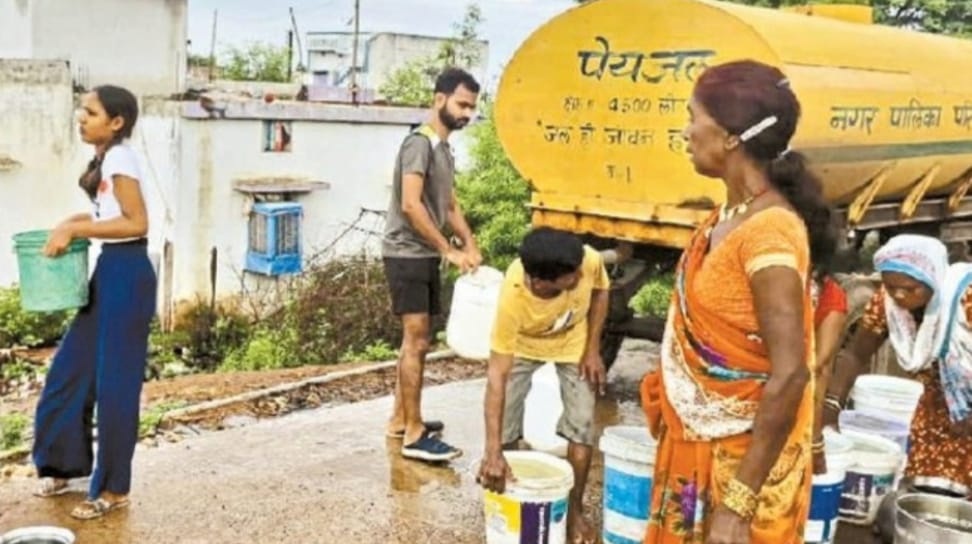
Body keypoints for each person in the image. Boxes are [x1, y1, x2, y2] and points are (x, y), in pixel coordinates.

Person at [639, 59, 837, 544]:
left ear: (730, 137)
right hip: (695, 455)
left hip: (739, 468)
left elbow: (790, 372)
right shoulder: (727, 216)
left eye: (693, 118)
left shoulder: (770, 232)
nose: (685, 132)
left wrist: (738, 505)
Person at [32, 85, 157, 520]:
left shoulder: (121, 156)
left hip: (129, 274)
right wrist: (72, 221)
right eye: (81, 112)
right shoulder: (105, 159)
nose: (81, 118)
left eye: (90, 112)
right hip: (110, 272)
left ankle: (113, 489)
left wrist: (78, 231)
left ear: (116, 121)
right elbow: (108, 217)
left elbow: (137, 222)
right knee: (70, 370)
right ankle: (63, 464)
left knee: (115, 385)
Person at [476, 227, 610, 544]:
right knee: (504, 427)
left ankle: (575, 510)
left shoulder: (586, 259)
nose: (580, 274)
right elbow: (496, 378)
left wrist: (593, 349)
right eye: (571, 275)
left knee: (583, 424)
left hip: (573, 343)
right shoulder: (513, 298)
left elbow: (602, 291)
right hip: (524, 346)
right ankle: (506, 490)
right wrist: (492, 450)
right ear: (540, 282)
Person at [382, 67, 481, 462]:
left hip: (422, 254)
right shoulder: (418, 144)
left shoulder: (443, 149)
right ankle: (415, 433)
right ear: (439, 100)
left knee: (416, 341)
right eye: (461, 104)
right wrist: (447, 249)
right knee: (417, 339)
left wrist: (470, 243)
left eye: (472, 107)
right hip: (406, 252)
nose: (467, 113)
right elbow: (411, 203)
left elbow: (449, 203)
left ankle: (399, 419)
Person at [823, 234, 972, 489]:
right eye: (892, 287)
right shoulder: (888, 301)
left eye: (911, 288)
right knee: (926, 488)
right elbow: (855, 354)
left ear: (933, 279)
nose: (900, 295)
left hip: (964, 410)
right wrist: (832, 405)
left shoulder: (965, 300)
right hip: (934, 411)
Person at [811, 271, 848, 474]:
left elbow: (819, 369)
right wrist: (815, 442)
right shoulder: (829, 294)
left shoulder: (829, 296)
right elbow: (819, 369)